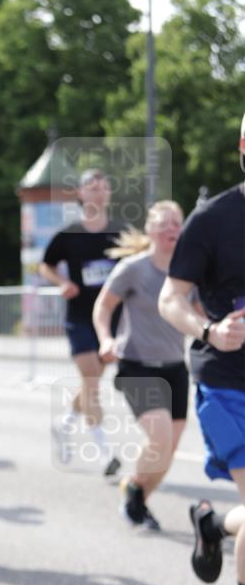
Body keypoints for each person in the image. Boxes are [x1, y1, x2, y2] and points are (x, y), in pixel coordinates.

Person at [159, 115, 245, 585]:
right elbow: (172, 298)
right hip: (228, 381)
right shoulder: (214, 218)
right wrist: (210, 329)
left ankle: (213, 523)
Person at [93, 201, 188, 530]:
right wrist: (105, 340)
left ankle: (138, 501)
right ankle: (135, 486)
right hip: (138, 366)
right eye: (163, 224)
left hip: (176, 367)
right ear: (149, 231)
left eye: (177, 223)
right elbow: (103, 307)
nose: (171, 229)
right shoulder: (133, 268)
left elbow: (201, 310)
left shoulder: (188, 270)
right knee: (159, 436)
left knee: (169, 448)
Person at [39, 169, 124, 475]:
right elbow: (45, 265)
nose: (99, 192)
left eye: (104, 187)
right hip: (79, 317)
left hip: (110, 320)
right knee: (91, 380)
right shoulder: (69, 234)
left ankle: (63, 424)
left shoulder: (120, 232)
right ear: (81, 194)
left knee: (92, 381)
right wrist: (61, 282)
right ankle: (104, 453)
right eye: (92, 187)